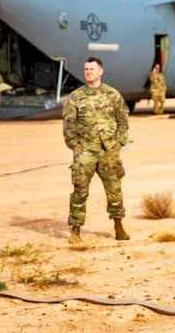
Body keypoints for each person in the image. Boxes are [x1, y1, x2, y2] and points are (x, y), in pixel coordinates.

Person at [63, 57, 130, 244]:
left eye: (92, 69)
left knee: (114, 190)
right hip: (85, 151)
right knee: (80, 191)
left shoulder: (113, 94)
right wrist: (76, 147)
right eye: (86, 69)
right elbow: (68, 125)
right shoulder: (75, 97)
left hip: (109, 151)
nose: (88, 72)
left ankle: (118, 226)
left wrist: (119, 143)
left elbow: (123, 120)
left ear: (100, 71)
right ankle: (75, 230)